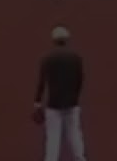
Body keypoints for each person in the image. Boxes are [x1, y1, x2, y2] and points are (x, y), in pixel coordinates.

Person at [34, 26, 87, 161]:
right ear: (67, 40)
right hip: (72, 103)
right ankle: (80, 158)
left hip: (54, 104)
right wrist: (75, 96)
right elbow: (80, 80)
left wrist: (37, 102)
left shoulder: (48, 58)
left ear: (54, 40)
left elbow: (42, 82)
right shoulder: (76, 58)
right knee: (74, 135)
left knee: (53, 137)